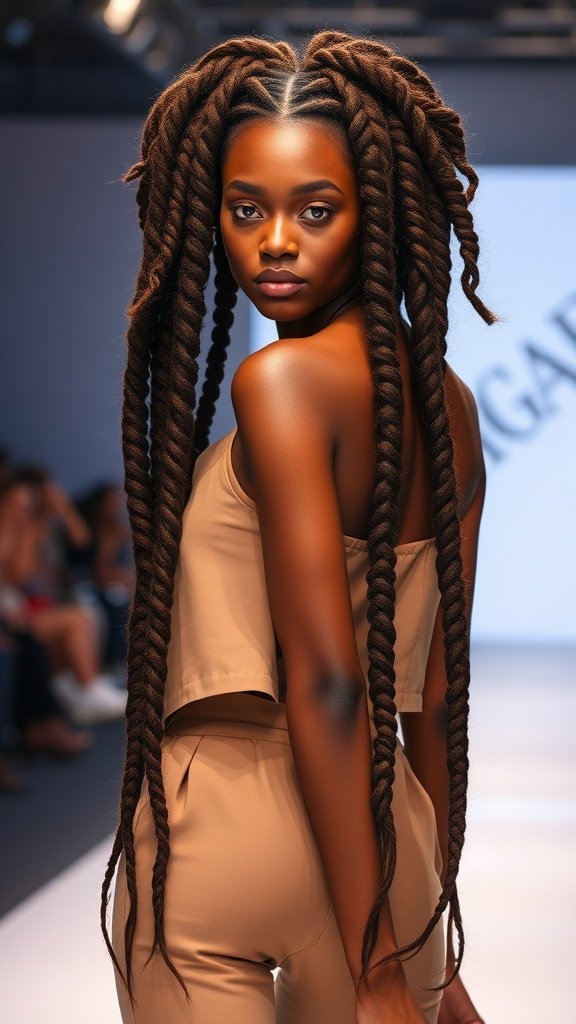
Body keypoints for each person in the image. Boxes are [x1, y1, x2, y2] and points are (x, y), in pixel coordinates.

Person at [101, 31, 492, 1024]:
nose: (275, 241)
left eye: (316, 210)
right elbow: (440, 696)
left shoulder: (276, 385)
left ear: (378, 212)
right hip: (386, 844)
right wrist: (420, 923)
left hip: (223, 834)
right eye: (247, 210)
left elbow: (323, 675)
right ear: (212, 214)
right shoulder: (446, 407)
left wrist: (374, 971)